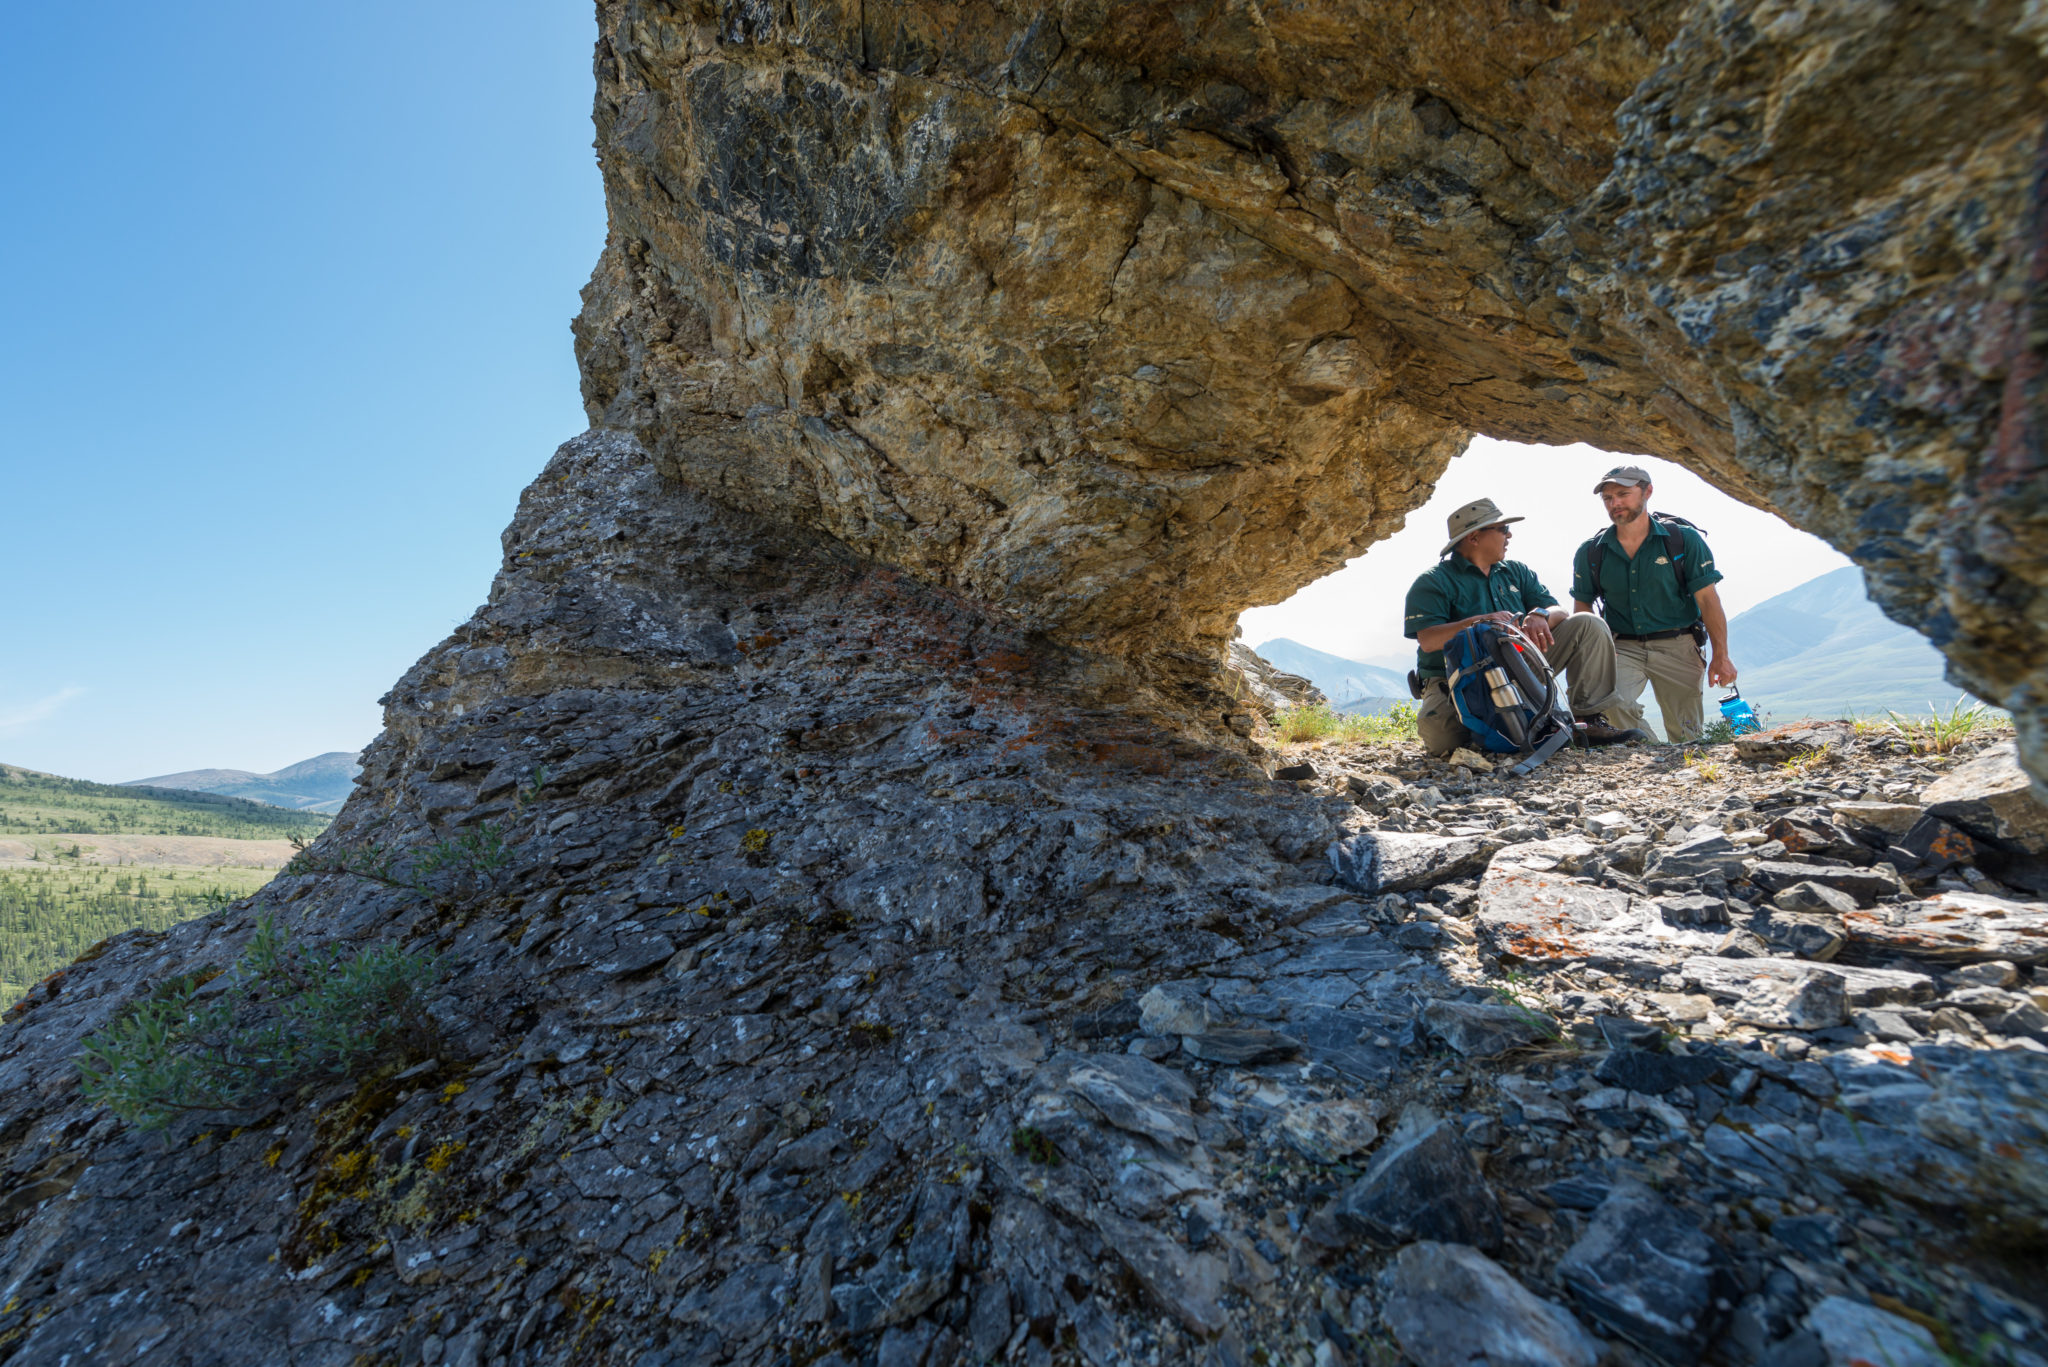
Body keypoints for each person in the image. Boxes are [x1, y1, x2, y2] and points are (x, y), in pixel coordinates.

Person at [1404, 497, 1650, 757]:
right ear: (1474, 537)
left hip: (1519, 666)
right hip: (1457, 679)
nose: (1509, 535)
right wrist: (1482, 622)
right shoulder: (1434, 582)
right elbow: (1429, 640)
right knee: (1445, 745)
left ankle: (1586, 722)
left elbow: (1560, 611)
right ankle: (1491, 727)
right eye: (1502, 529)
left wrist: (1540, 615)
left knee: (1588, 624)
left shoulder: (1517, 572)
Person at [1570, 465, 1736, 744]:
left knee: (1687, 735)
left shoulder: (1683, 540)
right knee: (1608, 702)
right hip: (1621, 648)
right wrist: (1598, 650)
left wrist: (1721, 655)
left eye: (1623, 494)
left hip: (1679, 645)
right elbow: (1582, 606)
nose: (1615, 503)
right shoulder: (1591, 551)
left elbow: (1708, 600)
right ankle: (1651, 751)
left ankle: (1683, 773)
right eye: (1608, 498)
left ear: (1647, 491)